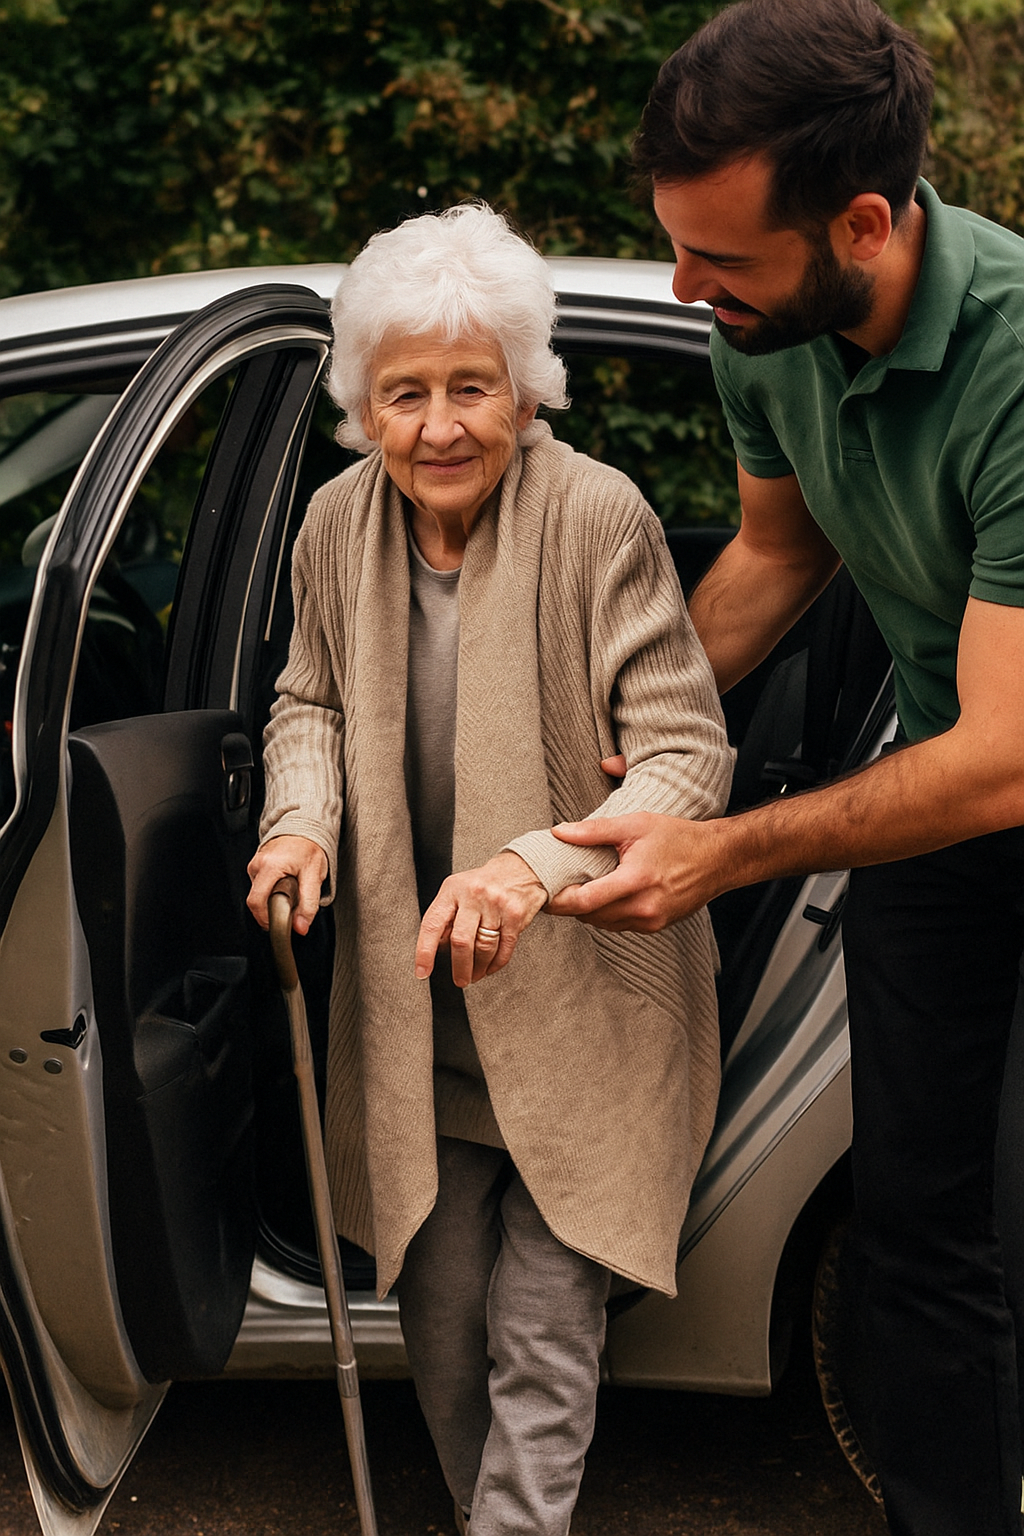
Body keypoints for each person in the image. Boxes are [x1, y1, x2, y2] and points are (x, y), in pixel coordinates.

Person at [549, 2, 1024, 1532]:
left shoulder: (1017, 360)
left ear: (865, 222)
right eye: (675, 251)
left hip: (996, 764)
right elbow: (773, 552)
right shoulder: (766, 333)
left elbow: (1008, 761)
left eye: (722, 261)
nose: (691, 290)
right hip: (952, 804)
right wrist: (628, 731)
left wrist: (729, 844)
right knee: (915, 1220)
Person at [245, 202, 733, 1536]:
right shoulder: (337, 528)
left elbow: (688, 756)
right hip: (421, 1024)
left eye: (473, 385)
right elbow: (312, 705)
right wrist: (301, 826)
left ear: (526, 388)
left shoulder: (597, 515)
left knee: (541, 1335)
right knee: (447, 1334)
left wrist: (527, 866)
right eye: (407, 392)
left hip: (587, 1010)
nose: (442, 423)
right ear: (362, 404)